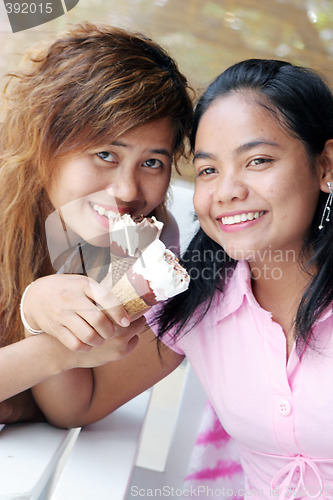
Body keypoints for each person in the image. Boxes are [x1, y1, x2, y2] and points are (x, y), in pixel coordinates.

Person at [30, 57, 333, 498]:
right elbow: (78, 403)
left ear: (325, 166)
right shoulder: (200, 299)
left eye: (258, 160)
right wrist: (39, 301)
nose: (227, 190)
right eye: (208, 170)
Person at [0, 20, 193, 421]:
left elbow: (77, 406)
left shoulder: (145, 245)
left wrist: (41, 320)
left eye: (153, 162)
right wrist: (40, 320)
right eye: (106, 154)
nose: (127, 190)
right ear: (44, 138)